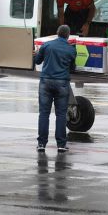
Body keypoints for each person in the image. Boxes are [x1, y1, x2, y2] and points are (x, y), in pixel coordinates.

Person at [34, 24, 76, 153]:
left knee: (44, 114)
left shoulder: (47, 45)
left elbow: (37, 61)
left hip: (45, 82)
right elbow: (72, 69)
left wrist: (36, 54)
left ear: (57, 33)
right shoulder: (71, 49)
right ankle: (61, 145)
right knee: (61, 115)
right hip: (62, 83)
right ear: (68, 35)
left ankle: (41, 144)